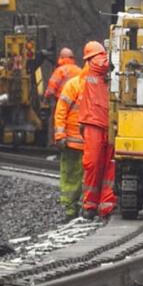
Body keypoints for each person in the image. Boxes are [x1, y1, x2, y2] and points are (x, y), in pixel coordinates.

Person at [77, 40, 116, 220]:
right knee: (96, 164)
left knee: (108, 165)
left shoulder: (95, 73)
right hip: (95, 122)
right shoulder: (97, 64)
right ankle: (91, 205)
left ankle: (103, 205)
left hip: (107, 122)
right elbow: (103, 63)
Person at [53, 70, 85, 218]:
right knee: (84, 177)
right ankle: (79, 209)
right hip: (87, 144)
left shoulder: (72, 83)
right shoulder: (100, 85)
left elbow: (60, 110)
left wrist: (60, 136)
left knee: (70, 176)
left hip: (73, 142)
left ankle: (70, 209)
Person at [42, 47, 80, 140]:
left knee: (57, 121)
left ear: (62, 57)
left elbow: (51, 88)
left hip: (61, 102)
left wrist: (45, 99)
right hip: (76, 104)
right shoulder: (79, 70)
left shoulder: (60, 70)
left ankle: (56, 142)